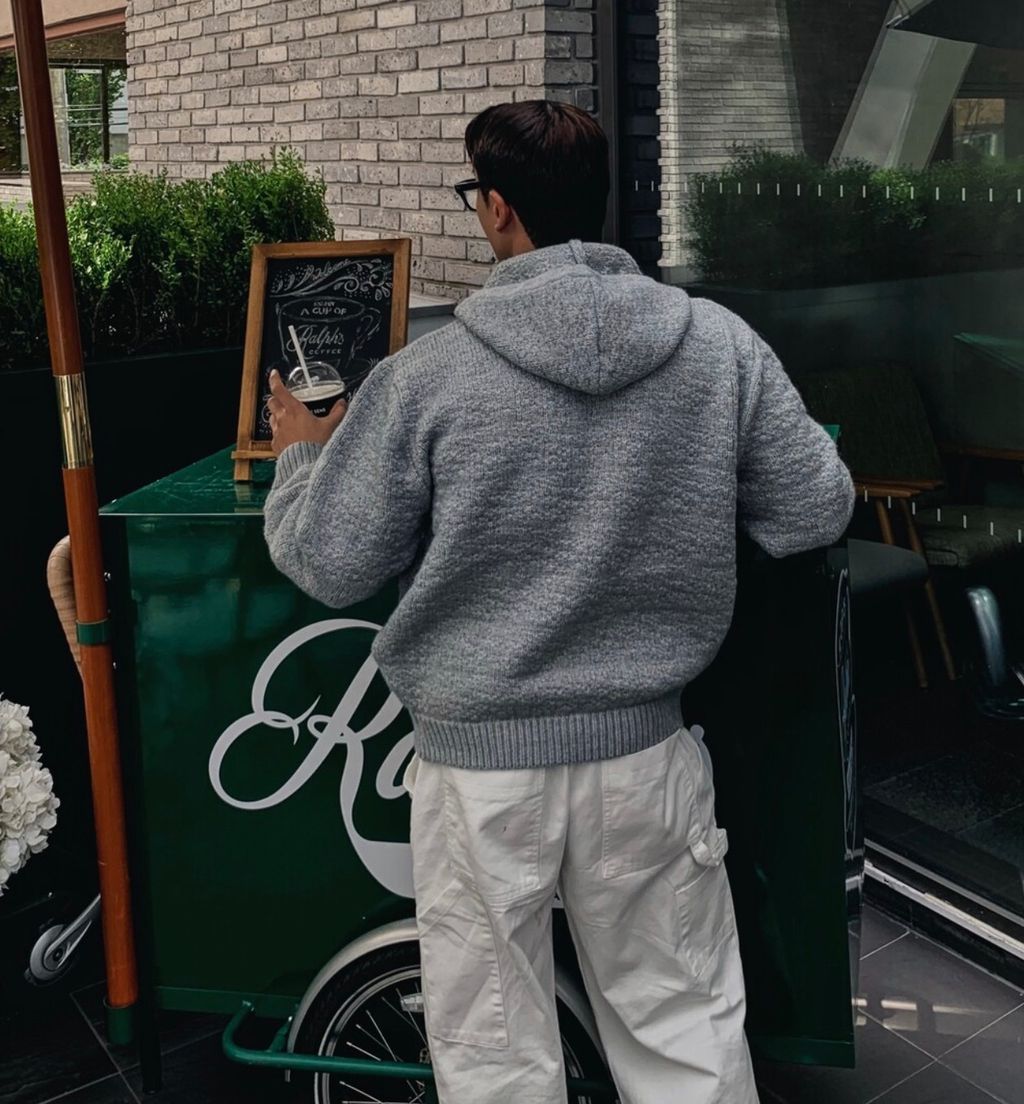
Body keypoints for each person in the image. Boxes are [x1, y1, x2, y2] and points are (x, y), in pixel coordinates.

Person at [263, 100, 854, 1104]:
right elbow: (815, 507)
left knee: (495, 1055)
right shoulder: (717, 344)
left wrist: (302, 459)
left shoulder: (423, 377)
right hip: (646, 760)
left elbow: (328, 561)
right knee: (684, 1032)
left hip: (479, 776)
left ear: (496, 207)